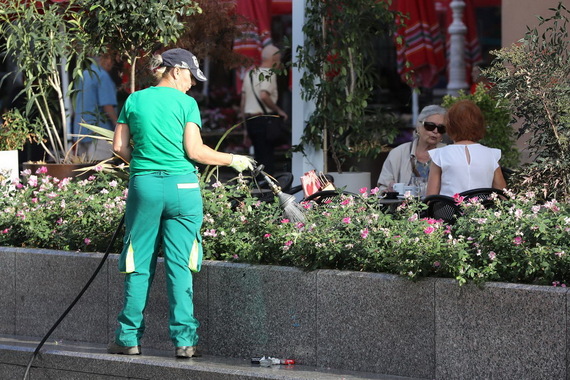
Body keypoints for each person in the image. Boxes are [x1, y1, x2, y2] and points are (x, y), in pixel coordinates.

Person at [108, 48, 254, 358]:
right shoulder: (187, 104)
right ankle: (185, 342)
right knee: (180, 265)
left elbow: (119, 147)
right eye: (190, 76)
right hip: (184, 188)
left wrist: (144, 168)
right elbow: (196, 152)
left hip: (145, 186)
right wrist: (234, 159)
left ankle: (128, 339)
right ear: (175, 71)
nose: (192, 84)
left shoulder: (134, 100)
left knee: (138, 263)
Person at [426, 99, 506, 197]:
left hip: (448, 211)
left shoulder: (439, 155)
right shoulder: (491, 154)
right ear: (479, 125)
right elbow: (503, 195)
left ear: (450, 125)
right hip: (481, 210)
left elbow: (431, 198)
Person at [240, 44, 288, 175]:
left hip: (250, 120)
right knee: (267, 159)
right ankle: (267, 189)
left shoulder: (250, 74)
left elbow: (243, 102)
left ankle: (259, 186)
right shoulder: (269, 74)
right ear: (274, 60)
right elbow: (263, 95)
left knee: (258, 157)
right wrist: (279, 110)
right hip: (263, 120)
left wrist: (245, 129)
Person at [377, 105, 447, 192]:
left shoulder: (448, 154)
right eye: (430, 126)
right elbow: (382, 188)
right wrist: (390, 189)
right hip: (403, 205)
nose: (435, 131)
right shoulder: (398, 153)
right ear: (418, 127)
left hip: (437, 205)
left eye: (441, 128)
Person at [72, 53, 118, 161]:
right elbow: (107, 105)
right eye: (111, 59)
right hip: (99, 132)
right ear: (104, 59)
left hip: (80, 131)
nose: (112, 64)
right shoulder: (102, 75)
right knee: (99, 170)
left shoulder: (82, 74)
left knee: (84, 171)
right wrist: (117, 125)